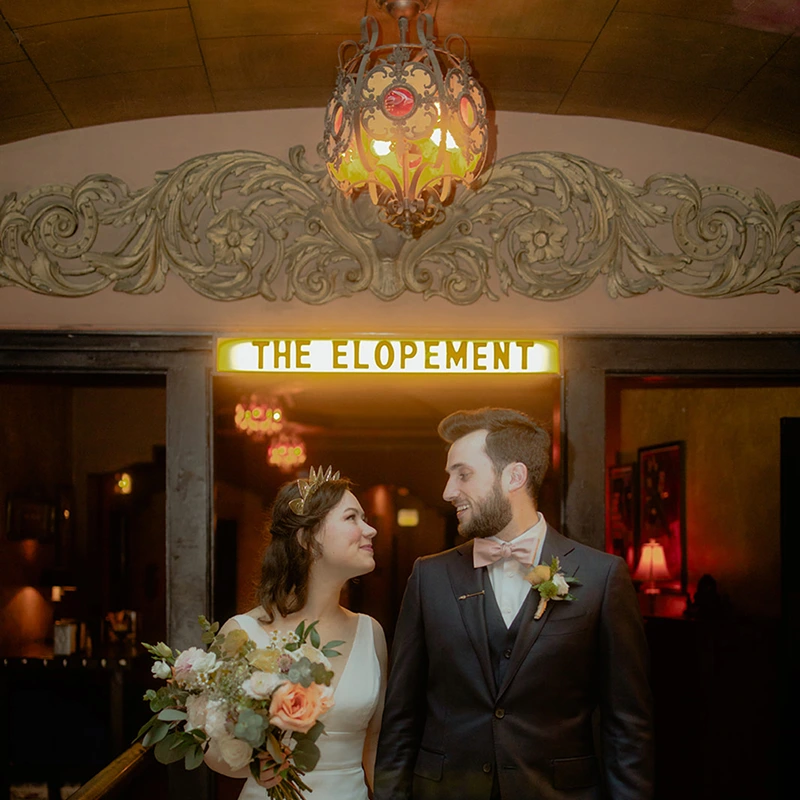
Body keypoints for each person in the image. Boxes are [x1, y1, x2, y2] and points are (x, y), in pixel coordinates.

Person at [375, 408, 654, 799]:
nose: (448, 491)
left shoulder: (601, 578)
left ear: (514, 476)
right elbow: (401, 717)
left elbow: (627, 726)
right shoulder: (429, 578)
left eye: (463, 474)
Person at [206, 468, 388, 800]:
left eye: (365, 518)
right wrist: (257, 763)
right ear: (306, 539)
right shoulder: (242, 634)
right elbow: (213, 748)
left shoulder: (370, 633)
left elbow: (374, 749)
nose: (370, 529)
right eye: (352, 518)